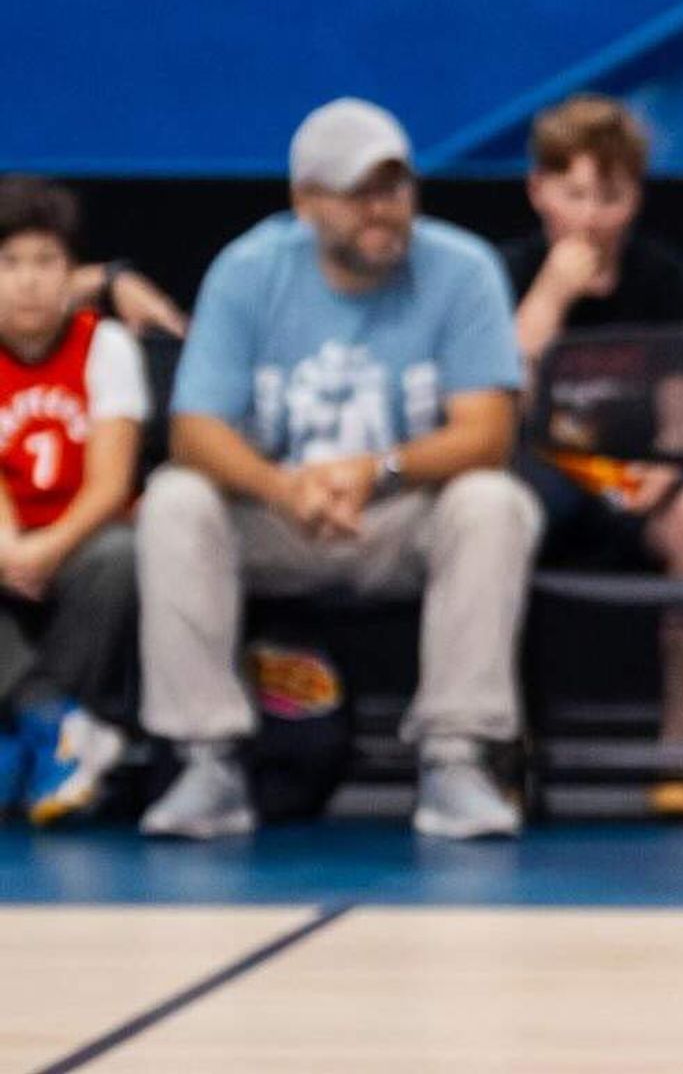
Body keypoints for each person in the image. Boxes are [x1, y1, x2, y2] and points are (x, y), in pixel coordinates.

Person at [136, 98, 542, 841]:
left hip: (396, 518)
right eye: (359, 193)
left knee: (493, 500)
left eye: (395, 188)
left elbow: (488, 431)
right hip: (278, 515)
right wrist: (282, 487)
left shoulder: (461, 268)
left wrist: (376, 470)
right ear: (305, 201)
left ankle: (458, 760)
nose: (384, 210)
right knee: (174, 497)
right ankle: (205, 760)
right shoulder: (248, 270)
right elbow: (193, 429)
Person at [503, 95, 683, 822]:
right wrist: (551, 297)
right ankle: (500, 750)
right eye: (573, 193)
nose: (589, 216)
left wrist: (668, 469)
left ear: (634, 198)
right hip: (542, 476)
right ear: (538, 191)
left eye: (608, 197)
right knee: (486, 517)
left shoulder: (661, 278)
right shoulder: (509, 273)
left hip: (642, 477)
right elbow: (495, 397)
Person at [0, 177, 143, 826]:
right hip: (7, 542)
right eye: (10, 264)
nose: (28, 281)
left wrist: (45, 548)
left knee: (122, 552)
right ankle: (54, 727)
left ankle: (36, 734)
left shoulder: (104, 345)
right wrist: (8, 548)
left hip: (80, 545)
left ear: (72, 274)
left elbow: (111, 482)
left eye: (45, 263)